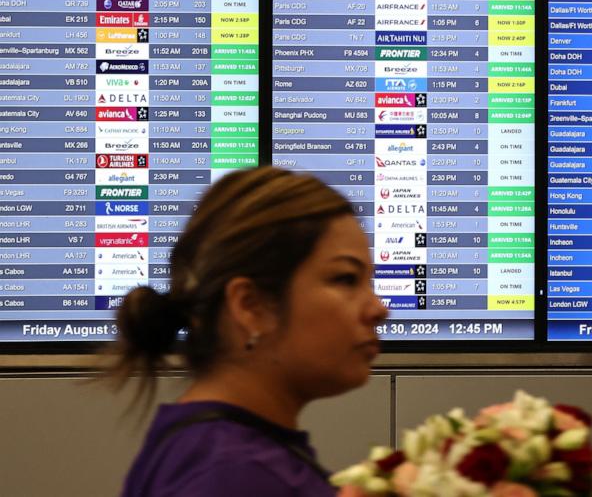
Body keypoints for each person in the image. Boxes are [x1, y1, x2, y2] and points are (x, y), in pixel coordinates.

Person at [108, 166, 388, 496]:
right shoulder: (235, 475)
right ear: (250, 305)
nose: (378, 309)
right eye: (345, 279)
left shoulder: (212, 451)